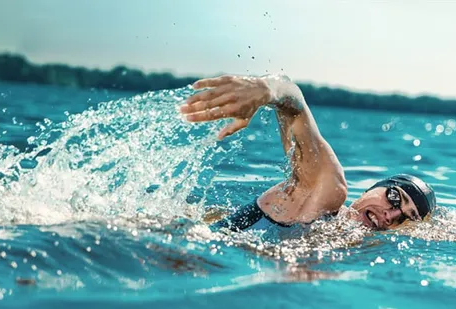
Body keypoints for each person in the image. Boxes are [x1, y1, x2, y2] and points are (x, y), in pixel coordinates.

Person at [179, 74, 436, 232]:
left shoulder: (349, 237)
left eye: (405, 217)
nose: (391, 215)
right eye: (394, 197)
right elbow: (292, 99)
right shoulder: (326, 193)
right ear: (373, 188)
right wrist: (266, 91)